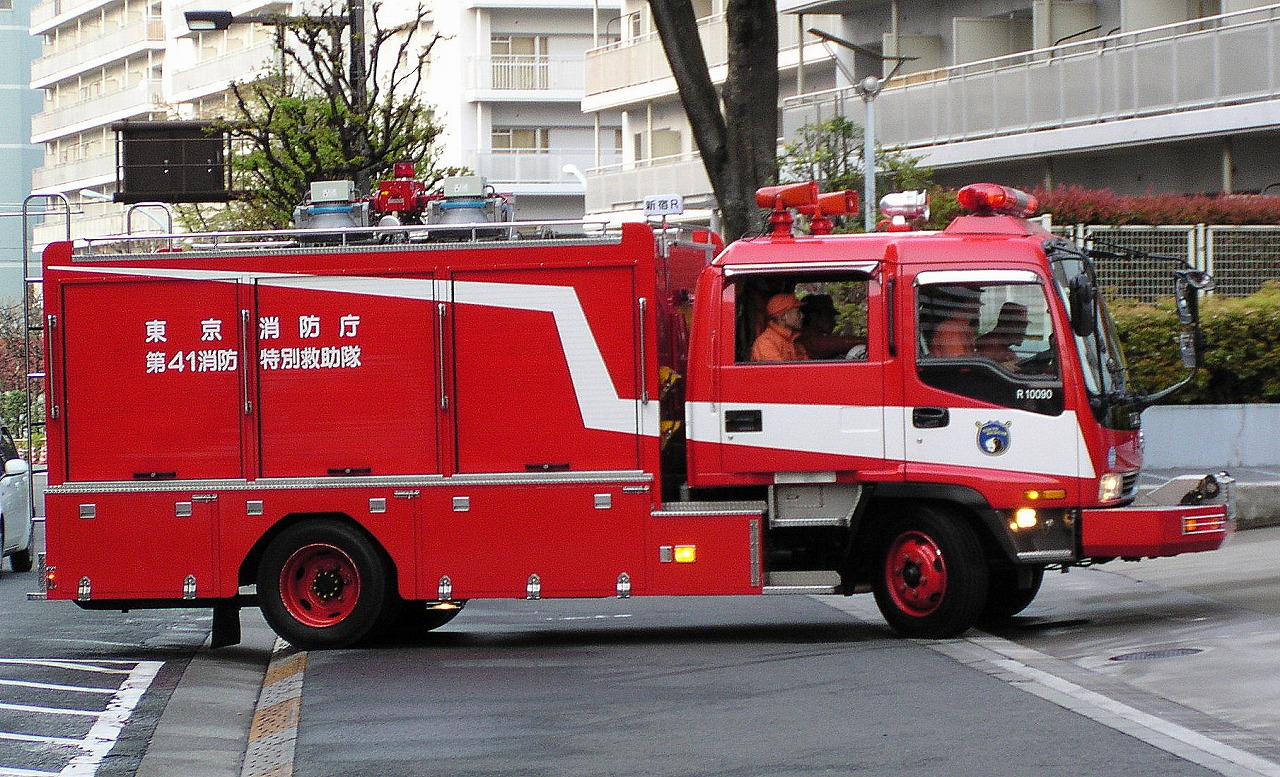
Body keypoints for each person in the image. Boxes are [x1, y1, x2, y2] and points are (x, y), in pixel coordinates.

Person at [797, 294, 866, 360]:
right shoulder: (810, 340)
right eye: (829, 316)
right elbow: (839, 343)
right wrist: (869, 341)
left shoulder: (810, 337)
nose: (834, 322)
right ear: (814, 317)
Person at [750, 293, 809, 362]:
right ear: (783, 317)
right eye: (798, 312)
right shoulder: (766, 342)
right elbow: (779, 372)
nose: (802, 316)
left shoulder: (793, 339)